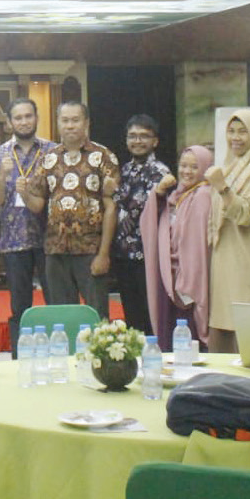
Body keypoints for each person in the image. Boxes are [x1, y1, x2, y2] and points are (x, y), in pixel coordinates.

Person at [21, 101, 119, 315]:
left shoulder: (103, 156)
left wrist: (104, 254)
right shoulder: (49, 158)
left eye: (75, 120)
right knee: (62, 316)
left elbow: (111, 208)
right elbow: (37, 204)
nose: (70, 126)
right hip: (56, 251)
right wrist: (24, 193)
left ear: (86, 123)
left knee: (97, 315)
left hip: (90, 250)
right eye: (65, 120)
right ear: (58, 123)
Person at [0, 98, 57, 339]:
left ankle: (59, 354)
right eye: (18, 117)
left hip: (51, 241)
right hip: (14, 241)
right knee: (19, 307)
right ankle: (20, 359)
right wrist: (3, 177)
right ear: (9, 122)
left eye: (28, 116)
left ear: (36, 118)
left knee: (56, 303)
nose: (24, 122)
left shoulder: (53, 151)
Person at [203, 109, 250, 353]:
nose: (236, 138)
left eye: (243, 132)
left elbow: (247, 214)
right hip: (223, 256)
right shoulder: (231, 166)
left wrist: (222, 187)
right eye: (231, 131)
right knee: (223, 320)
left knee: (244, 318)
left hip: (245, 255)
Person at [141, 146, 213, 349]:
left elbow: (196, 247)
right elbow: (149, 223)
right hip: (169, 277)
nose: (187, 171)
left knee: (189, 339)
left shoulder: (203, 196)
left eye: (194, 166)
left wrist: (186, 281)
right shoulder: (176, 196)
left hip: (189, 282)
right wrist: (158, 193)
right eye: (183, 165)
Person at [113, 114, 169, 334]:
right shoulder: (124, 170)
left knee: (149, 314)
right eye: (132, 136)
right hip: (123, 254)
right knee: (131, 313)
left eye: (144, 136)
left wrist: (113, 194)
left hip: (147, 254)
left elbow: (139, 208)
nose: (137, 141)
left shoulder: (160, 172)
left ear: (154, 141)